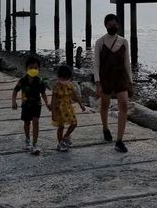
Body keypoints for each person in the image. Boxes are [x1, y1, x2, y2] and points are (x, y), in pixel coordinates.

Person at [93, 13, 133, 153]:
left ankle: (119, 140)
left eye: (114, 24)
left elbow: (127, 63)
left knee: (124, 105)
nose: (112, 27)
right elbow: (96, 65)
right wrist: (97, 83)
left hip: (121, 77)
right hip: (106, 77)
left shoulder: (123, 42)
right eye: (110, 25)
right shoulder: (100, 42)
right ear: (106, 26)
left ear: (118, 25)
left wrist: (131, 81)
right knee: (105, 105)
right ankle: (105, 128)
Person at [11, 55, 50, 155]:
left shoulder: (40, 81)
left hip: (37, 105)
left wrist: (47, 103)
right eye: (31, 68)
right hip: (26, 105)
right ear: (26, 69)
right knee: (27, 123)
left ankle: (35, 144)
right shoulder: (23, 80)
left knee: (36, 122)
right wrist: (14, 101)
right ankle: (27, 139)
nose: (33, 70)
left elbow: (43, 93)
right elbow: (15, 91)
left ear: (38, 69)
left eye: (35, 68)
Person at [51, 64, 86, 151]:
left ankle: (65, 137)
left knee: (74, 123)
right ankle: (60, 143)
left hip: (68, 108)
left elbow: (75, 95)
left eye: (67, 78)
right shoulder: (56, 86)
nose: (65, 80)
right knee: (61, 126)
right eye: (63, 78)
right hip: (59, 109)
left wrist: (81, 104)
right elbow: (53, 100)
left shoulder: (69, 85)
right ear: (59, 77)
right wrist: (53, 112)